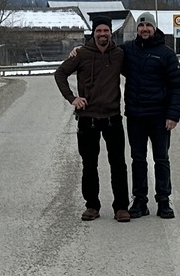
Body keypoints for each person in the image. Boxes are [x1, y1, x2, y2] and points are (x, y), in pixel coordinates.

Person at [54, 17, 129, 222]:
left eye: (106, 30)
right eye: (99, 31)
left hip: (113, 118)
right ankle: (92, 206)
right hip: (88, 119)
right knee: (89, 164)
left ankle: (121, 207)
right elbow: (60, 74)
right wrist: (72, 98)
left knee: (118, 164)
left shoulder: (119, 54)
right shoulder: (82, 54)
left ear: (111, 32)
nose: (102, 34)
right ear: (93, 33)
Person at [121, 12, 180, 219]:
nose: (144, 29)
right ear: (137, 29)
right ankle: (140, 201)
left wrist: (173, 115)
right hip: (135, 116)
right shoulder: (127, 50)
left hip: (159, 116)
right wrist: (81, 49)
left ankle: (163, 201)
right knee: (138, 159)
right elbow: (105, 52)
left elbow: (177, 86)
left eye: (148, 25)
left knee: (161, 159)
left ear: (154, 28)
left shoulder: (166, 54)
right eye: (141, 26)